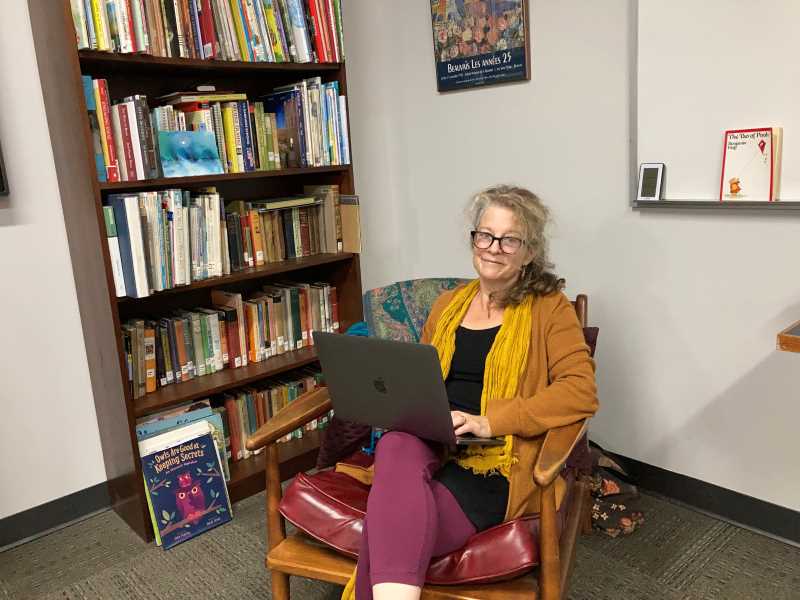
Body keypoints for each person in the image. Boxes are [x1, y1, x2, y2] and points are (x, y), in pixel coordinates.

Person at [343, 185, 598, 600]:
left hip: (496, 457)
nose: (493, 248)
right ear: (473, 239)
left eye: (509, 239)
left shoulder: (549, 309)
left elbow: (580, 391)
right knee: (394, 447)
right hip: (435, 435)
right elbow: (421, 376)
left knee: (390, 533)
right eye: (485, 235)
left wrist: (488, 421)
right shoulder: (448, 305)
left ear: (529, 251)